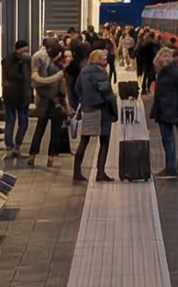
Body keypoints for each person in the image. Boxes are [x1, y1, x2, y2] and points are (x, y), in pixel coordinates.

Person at [72, 47, 119, 183]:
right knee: (104, 141)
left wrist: (84, 99)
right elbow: (108, 95)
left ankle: (77, 172)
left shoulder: (84, 71)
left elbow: (76, 88)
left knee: (84, 141)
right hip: (102, 110)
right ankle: (101, 172)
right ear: (98, 60)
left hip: (88, 109)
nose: (106, 61)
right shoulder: (101, 73)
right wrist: (114, 111)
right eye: (104, 59)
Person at [151, 45, 178, 179]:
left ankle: (170, 168)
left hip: (169, 110)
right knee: (168, 139)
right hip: (165, 109)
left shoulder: (175, 71)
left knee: (168, 139)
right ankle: (171, 167)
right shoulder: (167, 70)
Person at [25, 41, 68, 166]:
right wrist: (66, 106)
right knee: (55, 132)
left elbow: (38, 83)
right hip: (56, 104)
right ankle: (51, 158)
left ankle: (32, 155)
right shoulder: (58, 69)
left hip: (43, 102)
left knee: (39, 129)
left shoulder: (44, 67)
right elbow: (62, 90)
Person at [0, 42, 32, 157]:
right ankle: (13, 147)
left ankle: (13, 147)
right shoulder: (18, 62)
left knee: (13, 121)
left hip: (11, 95)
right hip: (19, 95)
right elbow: (22, 77)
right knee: (19, 121)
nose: (25, 53)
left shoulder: (6, 60)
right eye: (24, 51)